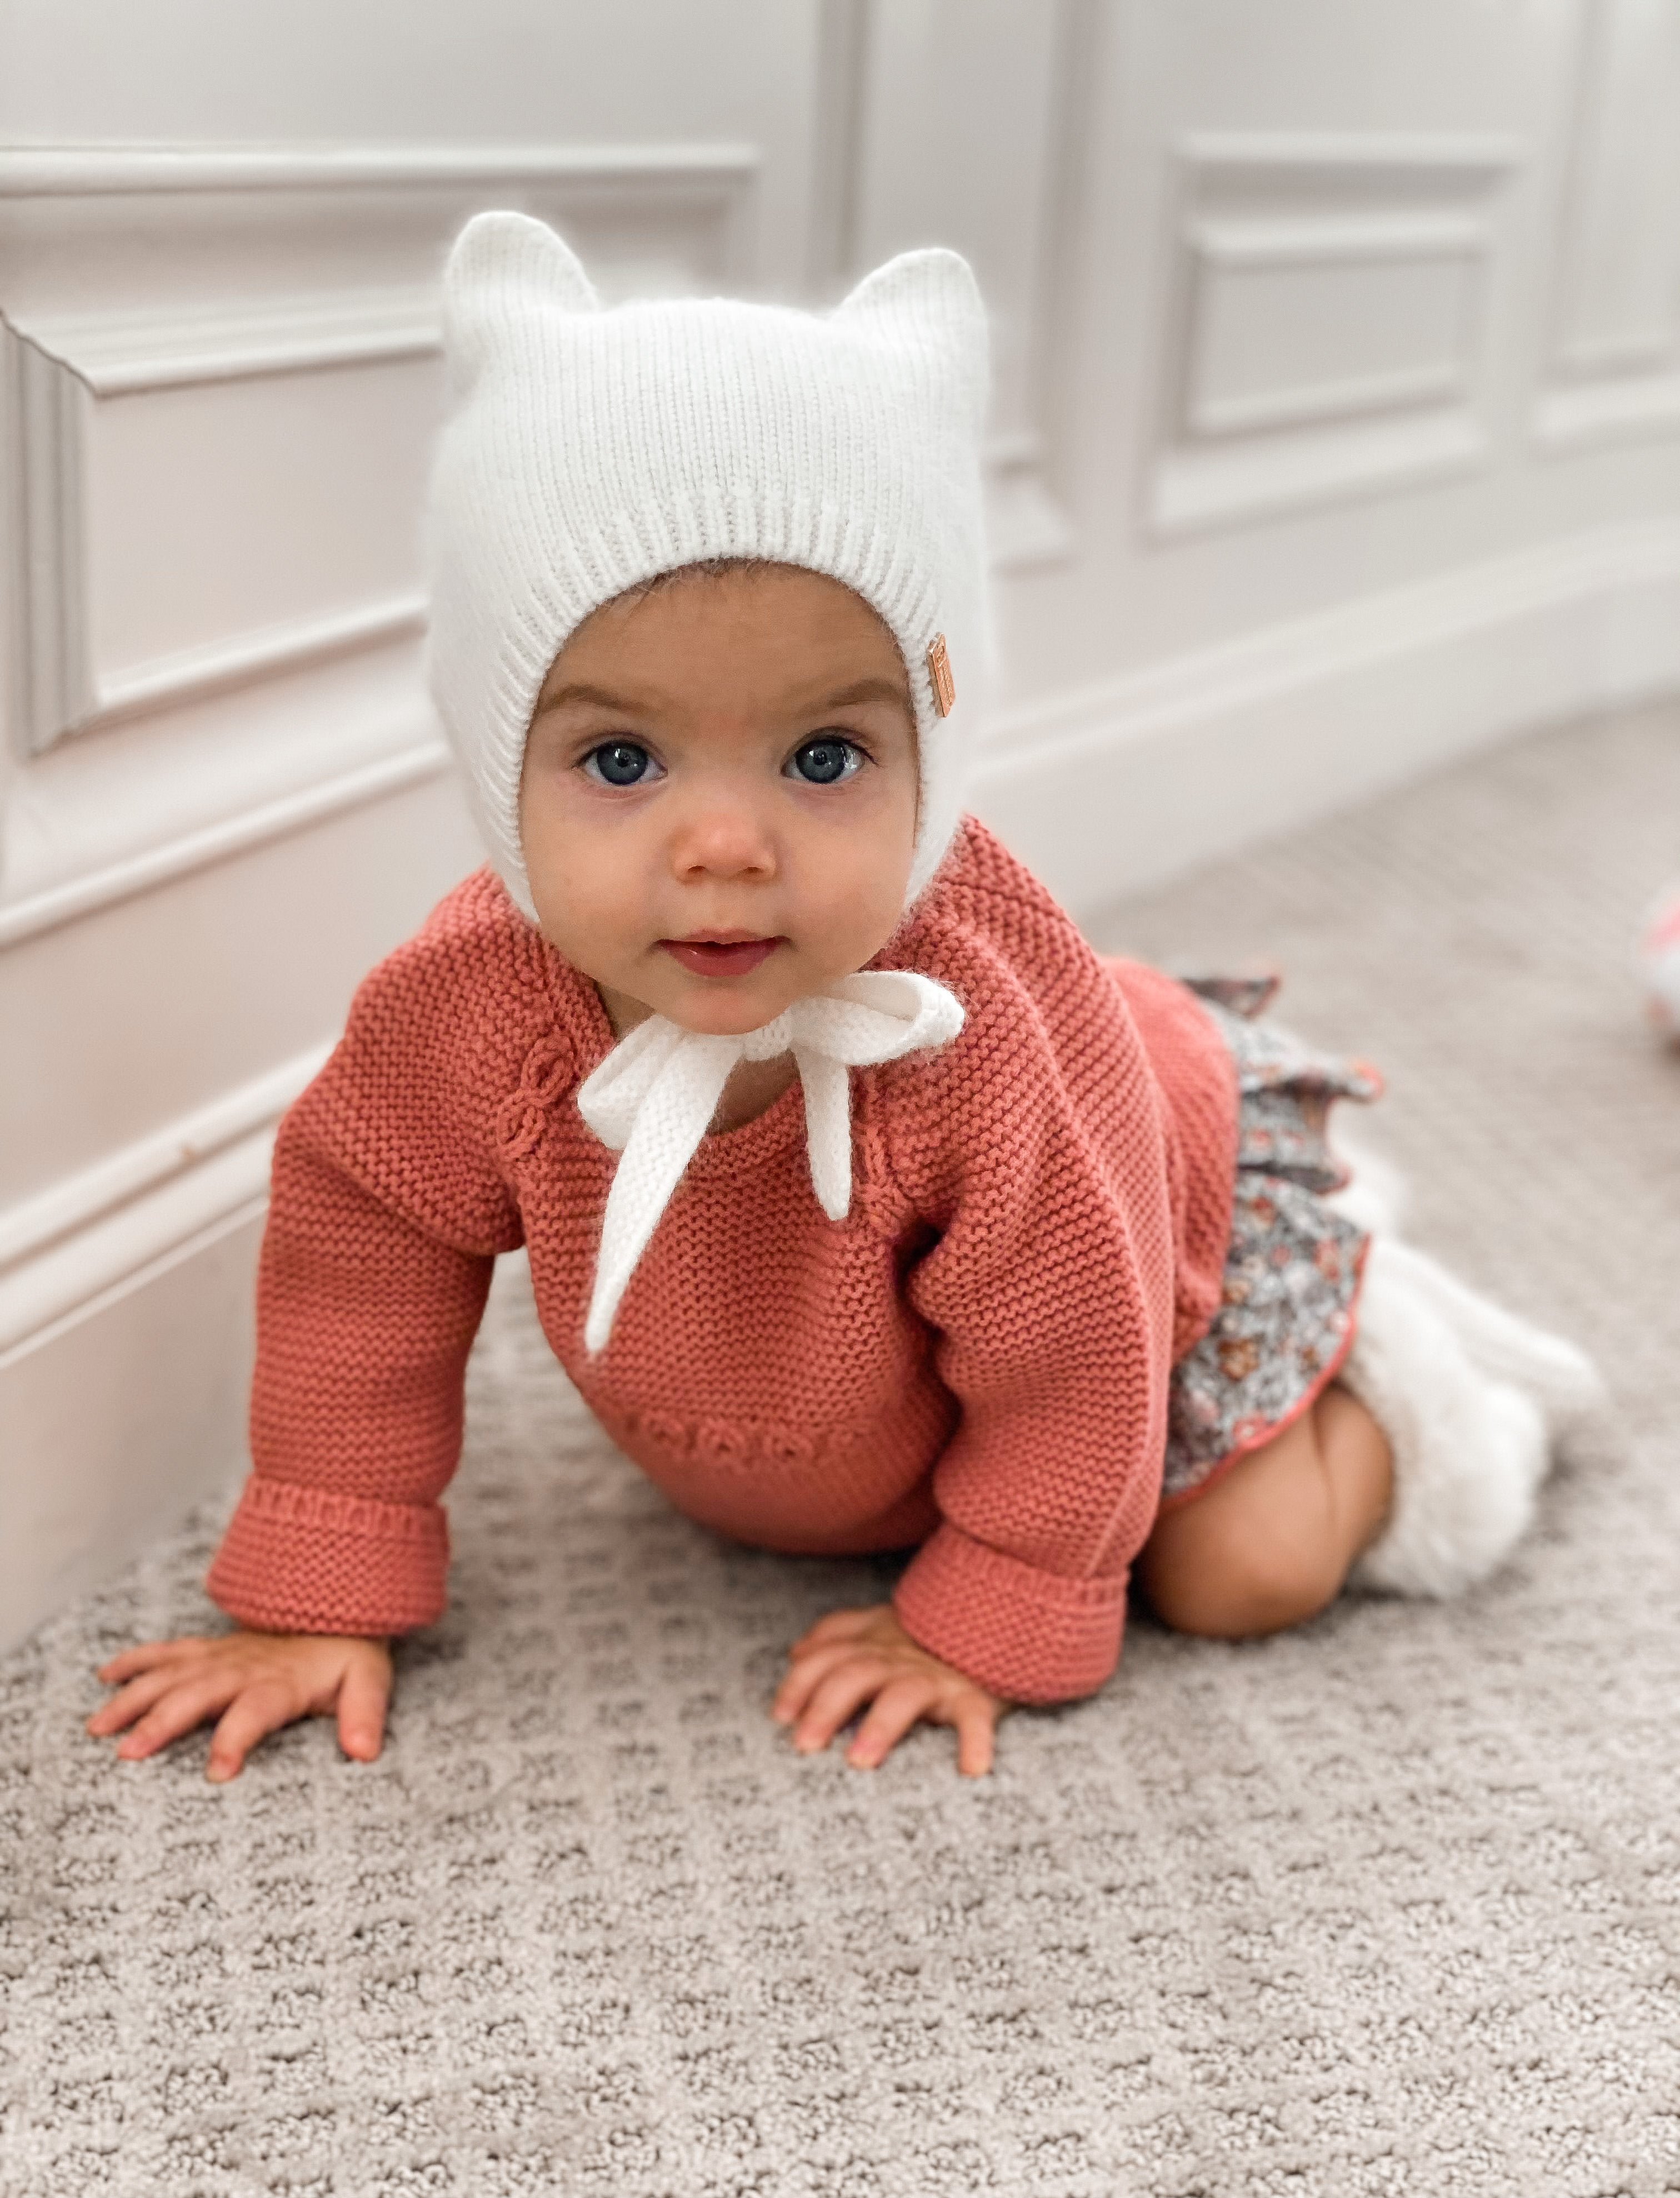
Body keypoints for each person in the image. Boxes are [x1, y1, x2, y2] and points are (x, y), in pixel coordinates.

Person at [87, 216, 1598, 1785]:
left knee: (1243, 1574)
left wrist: (997, 1604)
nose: (727, 849)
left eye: (825, 760)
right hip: (865, 1401)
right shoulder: (466, 1011)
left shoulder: (970, 1036)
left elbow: (1073, 1351)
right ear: (496, 764)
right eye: (622, 761)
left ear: (930, 760)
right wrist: (322, 1576)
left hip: (1140, 1242)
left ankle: (1399, 1357)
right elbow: (361, 1268)